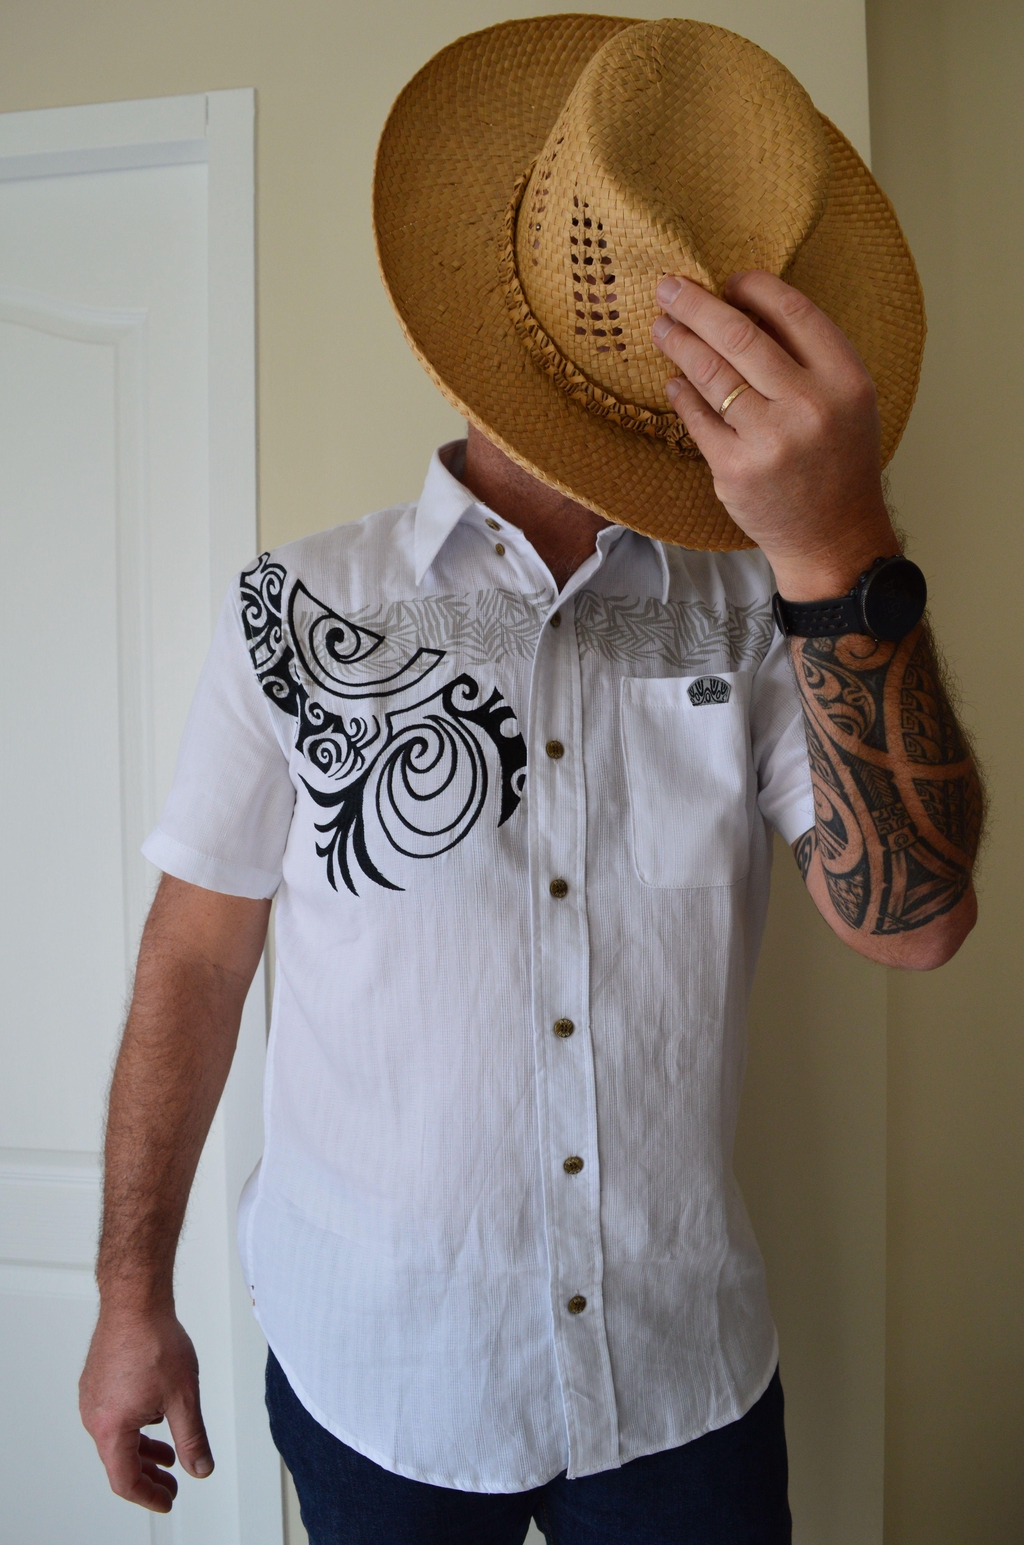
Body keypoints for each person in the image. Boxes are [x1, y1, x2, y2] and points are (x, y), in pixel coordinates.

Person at [79, 17, 982, 1544]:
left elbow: (919, 922)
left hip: (679, 1381)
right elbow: (195, 957)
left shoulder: (766, 608)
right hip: (375, 1372)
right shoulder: (297, 607)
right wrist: (128, 1293)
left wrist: (843, 554)